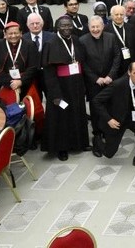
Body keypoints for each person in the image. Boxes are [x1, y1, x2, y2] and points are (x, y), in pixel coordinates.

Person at [40, 17, 89, 161]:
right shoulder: (50, 43)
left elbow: (81, 62)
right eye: (63, 26)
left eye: (69, 25)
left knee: (78, 113)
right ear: (57, 27)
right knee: (62, 117)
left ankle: (80, 143)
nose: (67, 28)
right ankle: (62, 148)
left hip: (76, 85)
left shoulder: (76, 40)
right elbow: (48, 72)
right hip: (60, 87)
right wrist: (55, 94)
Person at [92, 61, 135, 171]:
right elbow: (96, 101)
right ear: (129, 72)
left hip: (133, 117)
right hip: (116, 119)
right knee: (109, 153)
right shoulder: (117, 85)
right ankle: (97, 141)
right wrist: (109, 119)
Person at [79, 16, 124, 154]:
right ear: (88, 27)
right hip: (94, 83)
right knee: (95, 109)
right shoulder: (82, 40)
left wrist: (111, 75)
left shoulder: (111, 37)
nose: (95, 29)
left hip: (110, 81)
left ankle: (108, 131)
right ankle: (97, 135)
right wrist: (95, 78)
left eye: (98, 26)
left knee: (110, 106)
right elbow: (83, 63)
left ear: (103, 26)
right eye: (92, 27)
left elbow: (117, 57)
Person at [0, 21, 38, 101]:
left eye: (16, 33)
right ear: (5, 34)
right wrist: (10, 83)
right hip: (4, 84)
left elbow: (33, 67)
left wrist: (21, 82)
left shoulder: (30, 45)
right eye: (10, 33)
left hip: (26, 84)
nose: (13, 36)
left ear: (21, 33)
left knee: (26, 106)